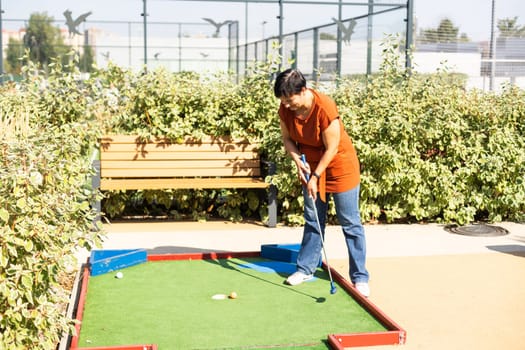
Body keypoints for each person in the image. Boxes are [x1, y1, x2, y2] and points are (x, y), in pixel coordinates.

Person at [273, 68, 370, 297]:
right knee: (313, 218)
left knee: (350, 223)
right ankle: (306, 268)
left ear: (303, 90)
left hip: (339, 165)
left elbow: (333, 147)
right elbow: (287, 139)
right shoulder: (286, 110)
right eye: (283, 101)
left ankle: (360, 277)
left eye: (290, 99)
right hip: (310, 164)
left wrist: (316, 177)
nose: (286, 105)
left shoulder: (324, 107)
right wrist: (298, 161)